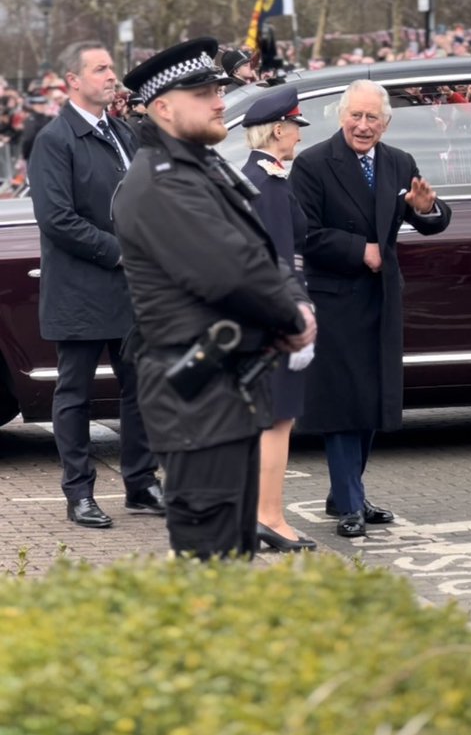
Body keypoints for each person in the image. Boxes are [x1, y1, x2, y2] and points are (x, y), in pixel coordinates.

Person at [113, 38, 316, 560]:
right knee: (211, 557)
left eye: (218, 90)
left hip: (231, 384)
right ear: (163, 107)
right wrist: (291, 315)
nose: (221, 101)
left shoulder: (201, 167)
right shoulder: (161, 182)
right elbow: (229, 271)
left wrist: (293, 301)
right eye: (203, 92)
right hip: (196, 390)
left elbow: (262, 248)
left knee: (235, 548)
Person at [290, 80, 451, 538]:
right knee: (342, 402)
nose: (363, 126)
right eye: (355, 117)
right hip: (335, 298)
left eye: (372, 118)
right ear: (341, 117)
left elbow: (434, 219)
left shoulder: (398, 162)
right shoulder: (313, 163)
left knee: (373, 400)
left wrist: (428, 207)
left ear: (386, 122)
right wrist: (359, 250)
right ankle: (350, 502)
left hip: (381, 298)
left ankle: (346, 491)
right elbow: (305, 232)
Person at [28, 40, 162, 528]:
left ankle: (141, 485)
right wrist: (120, 251)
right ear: (73, 81)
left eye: (112, 67)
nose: (112, 75)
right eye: (100, 68)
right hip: (81, 290)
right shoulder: (54, 139)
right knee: (75, 395)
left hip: (129, 292)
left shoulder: (124, 133)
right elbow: (57, 219)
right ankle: (79, 493)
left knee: (140, 389)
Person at [240, 84, 316, 553]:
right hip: (277, 319)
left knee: (269, 420)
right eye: (294, 128)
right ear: (277, 130)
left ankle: (260, 513)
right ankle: (269, 515)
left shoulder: (258, 177)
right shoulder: (269, 184)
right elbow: (280, 262)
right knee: (277, 421)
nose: (299, 138)